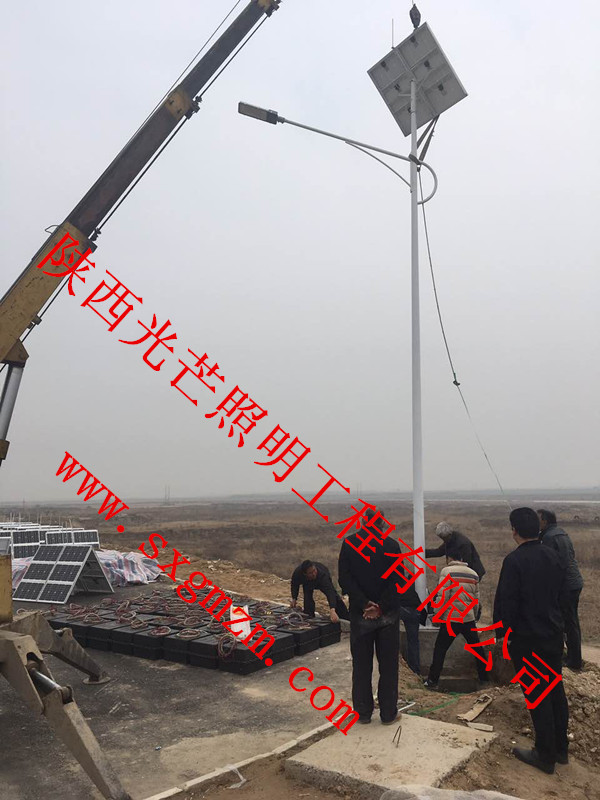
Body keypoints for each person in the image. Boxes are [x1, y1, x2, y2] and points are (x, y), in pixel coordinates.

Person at [494, 507, 569, 775]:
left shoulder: (514, 561)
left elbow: (507, 603)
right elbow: (562, 595)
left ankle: (544, 756)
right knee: (555, 691)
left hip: (527, 640)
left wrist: (503, 635)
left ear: (514, 530)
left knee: (538, 695)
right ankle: (561, 750)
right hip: (553, 636)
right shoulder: (554, 555)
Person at [338, 508, 403, 724]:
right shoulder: (392, 546)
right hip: (388, 617)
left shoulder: (349, 544)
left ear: (363, 522)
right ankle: (388, 713)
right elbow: (398, 581)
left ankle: (363, 713)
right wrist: (381, 607)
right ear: (382, 523)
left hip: (360, 615)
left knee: (361, 666)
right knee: (388, 667)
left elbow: (344, 580)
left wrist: (364, 603)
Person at [423, 542, 489, 688]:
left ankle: (432, 681)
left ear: (449, 558)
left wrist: (437, 616)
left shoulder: (447, 572)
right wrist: (473, 616)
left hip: (451, 619)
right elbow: (476, 600)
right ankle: (484, 678)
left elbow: (443, 596)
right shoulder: (473, 574)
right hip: (468, 618)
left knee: (440, 649)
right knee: (477, 649)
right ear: (462, 558)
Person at [537, 509, 584, 671]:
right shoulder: (561, 533)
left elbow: (551, 563)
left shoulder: (549, 537)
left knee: (567, 622)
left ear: (545, 521)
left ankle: (573, 661)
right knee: (571, 621)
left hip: (566, 585)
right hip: (574, 582)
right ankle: (573, 657)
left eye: (538, 519)